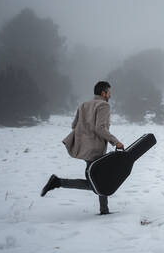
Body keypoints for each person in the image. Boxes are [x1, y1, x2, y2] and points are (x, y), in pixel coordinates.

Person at [40, 81, 124, 215]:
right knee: (98, 182)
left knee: (100, 179)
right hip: (96, 149)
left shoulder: (83, 105)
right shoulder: (104, 105)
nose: (110, 95)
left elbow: (74, 125)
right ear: (103, 93)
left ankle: (104, 210)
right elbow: (100, 128)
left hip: (85, 148)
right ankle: (58, 182)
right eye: (109, 92)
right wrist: (116, 142)